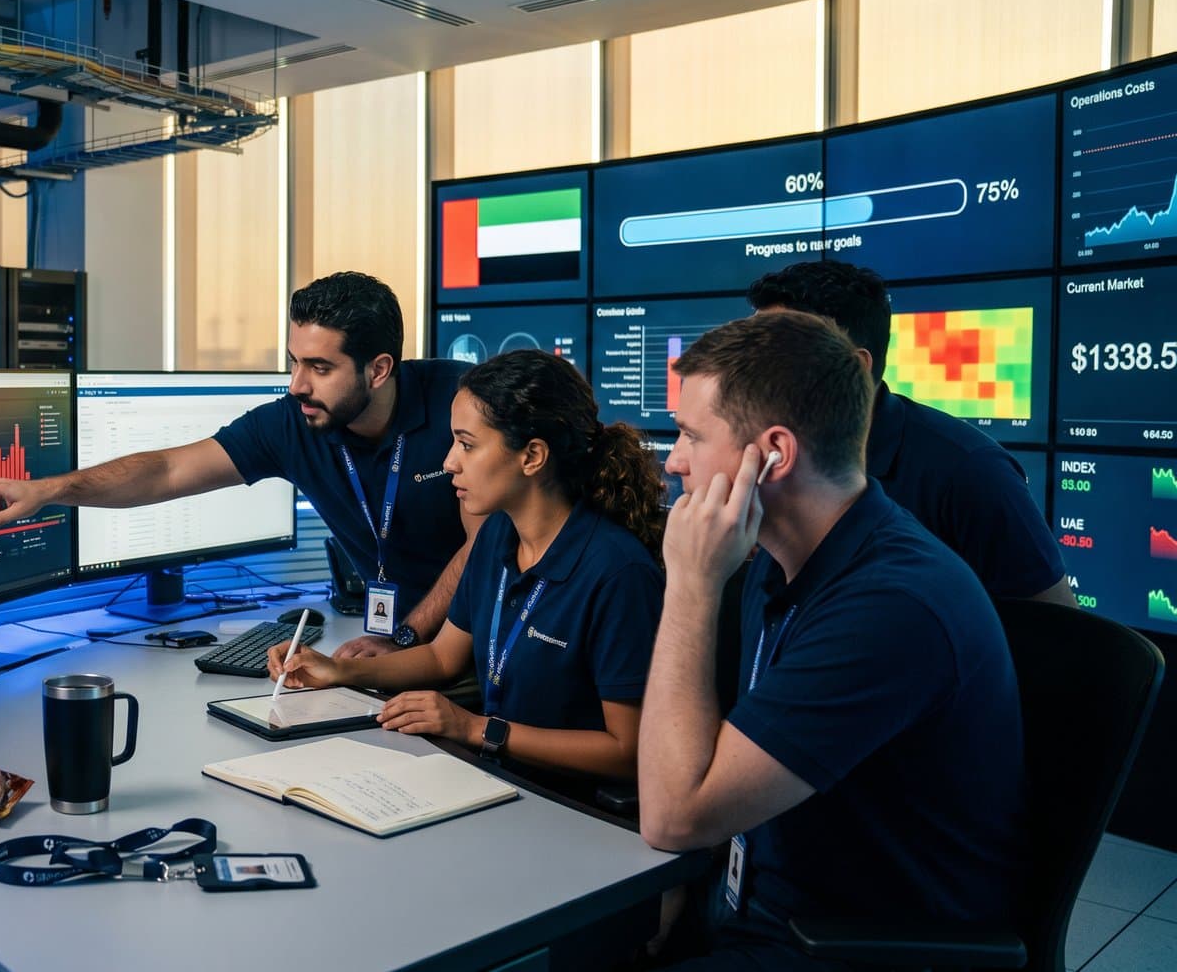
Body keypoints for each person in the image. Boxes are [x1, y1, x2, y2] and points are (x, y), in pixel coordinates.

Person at [638, 311, 1026, 967]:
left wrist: (688, 588)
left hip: (846, 947)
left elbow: (674, 815)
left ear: (774, 456)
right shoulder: (778, 559)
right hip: (759, 909)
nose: (672, 460)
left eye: (689, 434)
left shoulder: (892, 605)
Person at [0, 272, 479, 658]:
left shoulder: (462, 403)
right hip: (402, 649)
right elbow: (165, 471)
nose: (297, 384)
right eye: (294, 362)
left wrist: (405, 637)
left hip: (484, 645)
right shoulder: (294, 422)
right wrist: (47, 490)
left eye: (320, 368)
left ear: (379, 369)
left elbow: (488, 541)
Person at [268, 349, 664, 780]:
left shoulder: (617, 572)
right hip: (497, 778)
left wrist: (474, 728)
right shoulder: (496, 535)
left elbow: (628, 751)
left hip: (572, 807)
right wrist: (340, 671)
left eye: (466, 444)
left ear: (532, 456)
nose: (448, 462)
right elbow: (441, 658)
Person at [746, 259, 1071, 604]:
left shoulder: (970, 473)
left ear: (852, 370)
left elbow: (1062, 638)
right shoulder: (769, 459)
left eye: (772, 358)